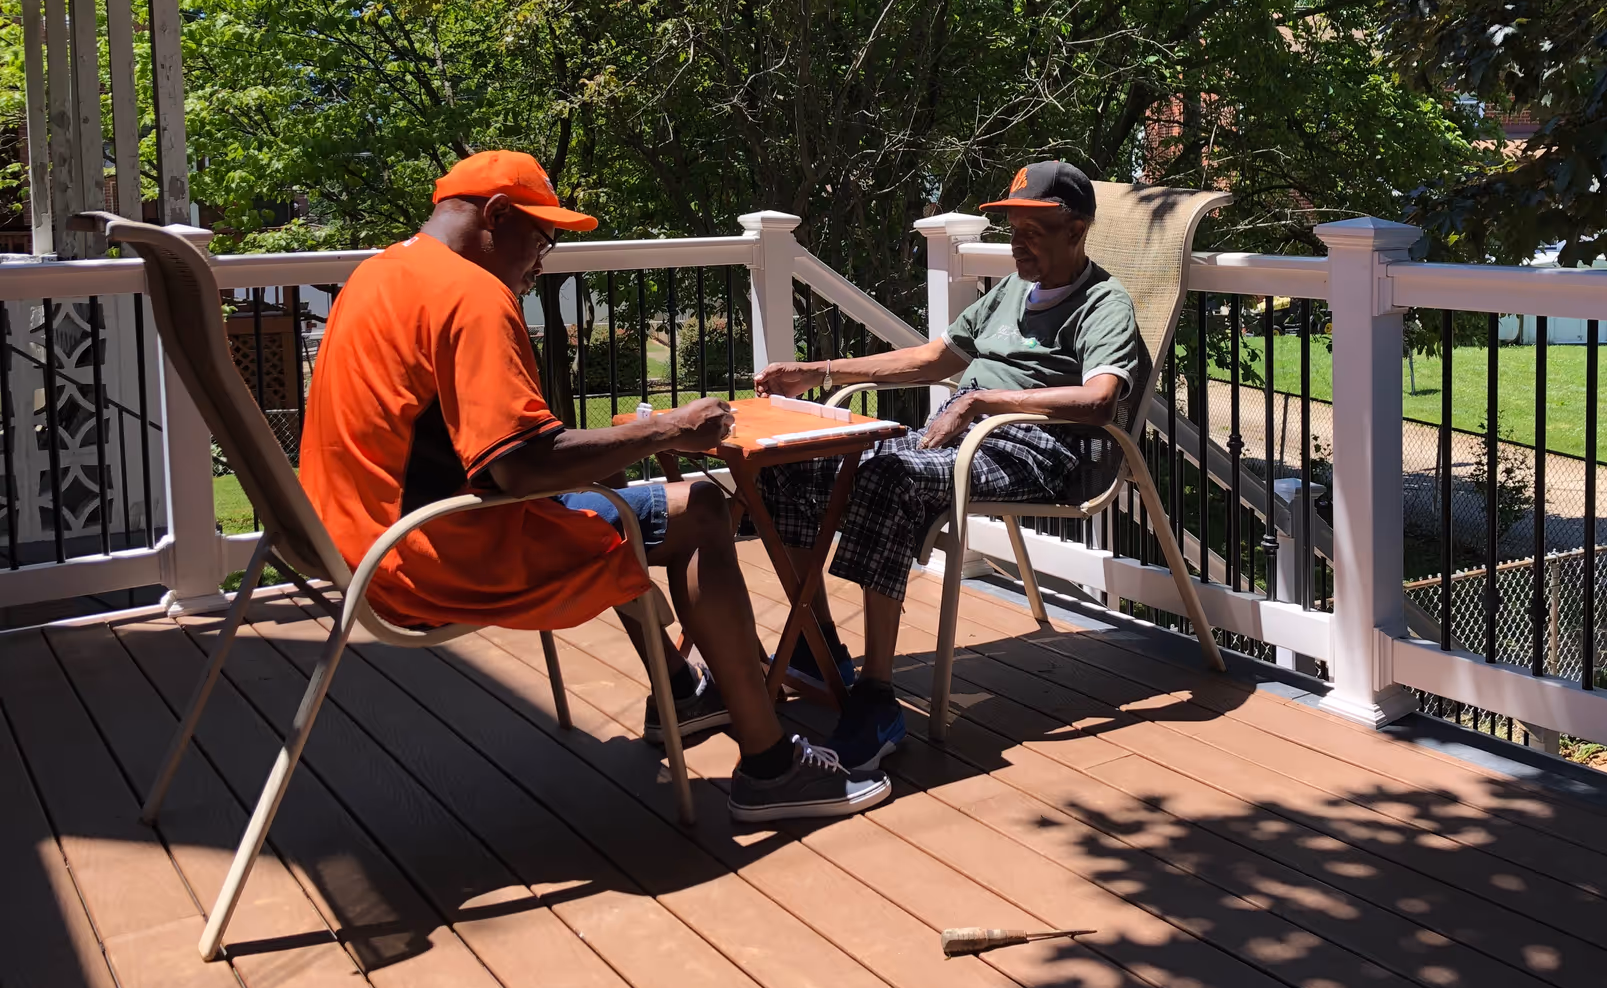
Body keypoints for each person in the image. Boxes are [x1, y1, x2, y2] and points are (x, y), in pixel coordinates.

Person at [300, 150, 888, 822]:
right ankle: (771, 764)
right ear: (494, 217)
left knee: (609, 491)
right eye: (542, 237)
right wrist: (670, 429)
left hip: (359, 544)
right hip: (437, 564)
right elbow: (524, 465)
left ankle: (681, 688)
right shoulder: (470, 294)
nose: (543, 258)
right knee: (697, 506)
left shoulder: (376, 276)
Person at [754, 160, 1147, 770]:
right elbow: (936, 357)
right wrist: (822, 372)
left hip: (1034, 452)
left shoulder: (1104, 302)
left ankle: (878, 698)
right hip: (963, 439)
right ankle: (815, 643)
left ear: (1077, 231)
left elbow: (1099, 401)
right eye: (1013, 227)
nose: (1018, 241)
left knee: (888, 477)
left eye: (1034, 230)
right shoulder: (1010, 293)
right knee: (792, 462)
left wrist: (983, 400)